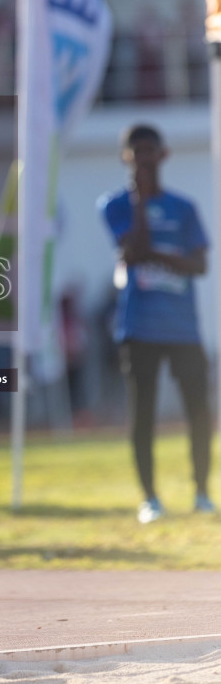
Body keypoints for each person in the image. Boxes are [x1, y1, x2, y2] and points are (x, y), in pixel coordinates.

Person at [97, 124, 213, 523]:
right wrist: (140, 203)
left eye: (150, 150)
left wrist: (154, 257)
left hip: (183, 329)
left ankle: (201, 493)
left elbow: (199, 265)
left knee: (199, 410)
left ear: (163, 155)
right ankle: (151, 499)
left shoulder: (185, 208)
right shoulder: (113, 206)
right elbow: (135, 249)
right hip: (139, 327)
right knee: (142, 414)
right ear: (125, 158)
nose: (144, 158)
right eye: (136, 151)